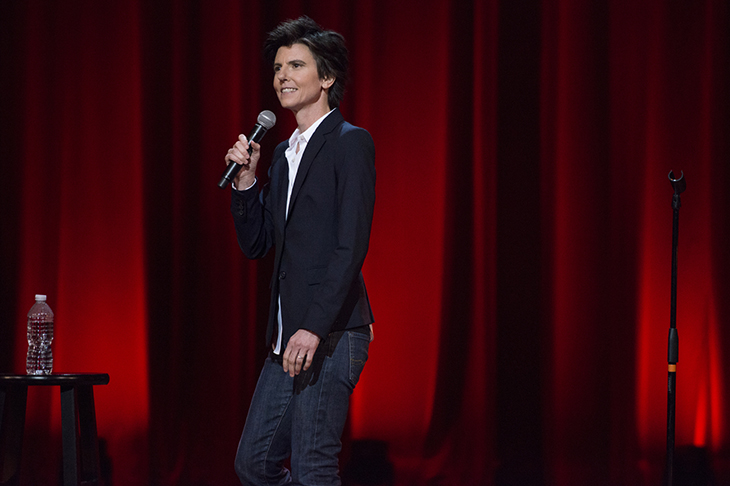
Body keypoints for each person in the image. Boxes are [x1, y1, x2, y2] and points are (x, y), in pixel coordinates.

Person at [225, 16, 376, 486]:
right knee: (254, 463)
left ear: (326, 77)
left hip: (330, 332)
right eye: (277, 68)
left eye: (295, 65)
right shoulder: (283, 154)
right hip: (287, 335)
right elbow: (257, 244)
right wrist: (247, 183)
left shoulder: (350, 143)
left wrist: (313, 326)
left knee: (313, 466)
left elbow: (350, 246)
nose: (282, 77)